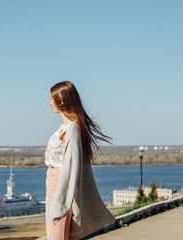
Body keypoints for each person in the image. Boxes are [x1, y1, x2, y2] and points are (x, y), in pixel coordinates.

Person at [45, 81, 116, 240]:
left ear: (61, 100)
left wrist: (60, 202)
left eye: (52, 99)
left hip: (59, 188)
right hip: (53, 186)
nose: (50, 103)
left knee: (56, 237)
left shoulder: (72, 128)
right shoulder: (66, 126)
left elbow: (71, 167)